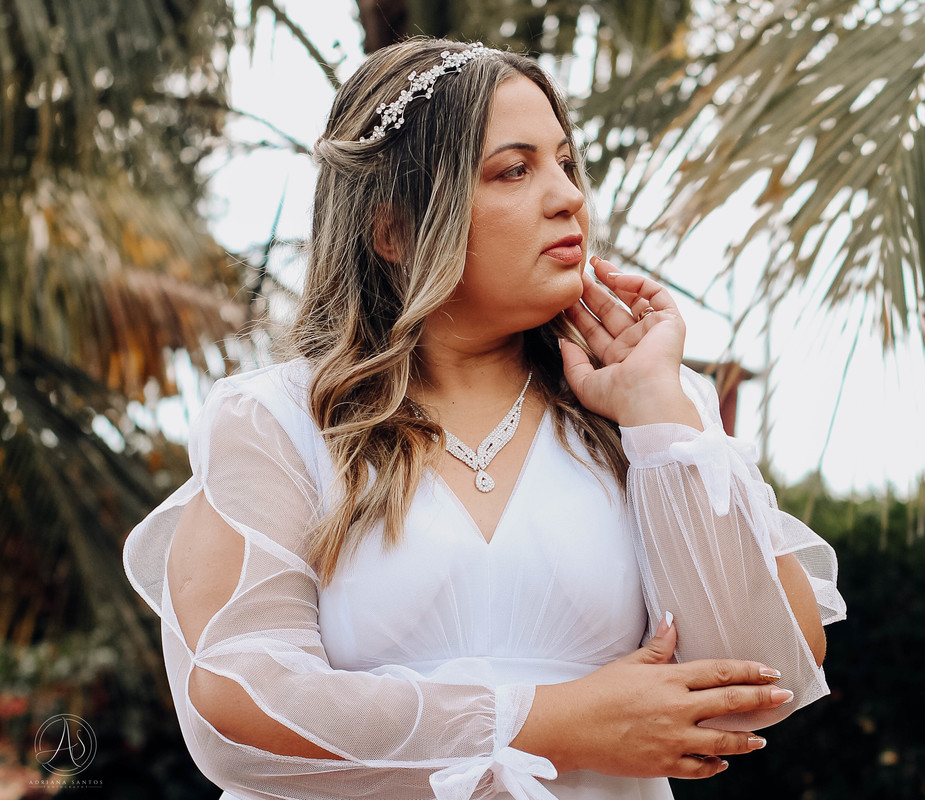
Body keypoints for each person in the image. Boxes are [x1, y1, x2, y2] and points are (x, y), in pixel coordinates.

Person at [122, 38, 845, 800]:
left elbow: (762, 674)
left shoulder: (648, 412)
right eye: (514, 170)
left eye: (566, 163)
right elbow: (242, 700)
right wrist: (551, 722)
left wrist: (658, 414)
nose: (568, 197)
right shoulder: (278, 421)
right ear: (393, 230)